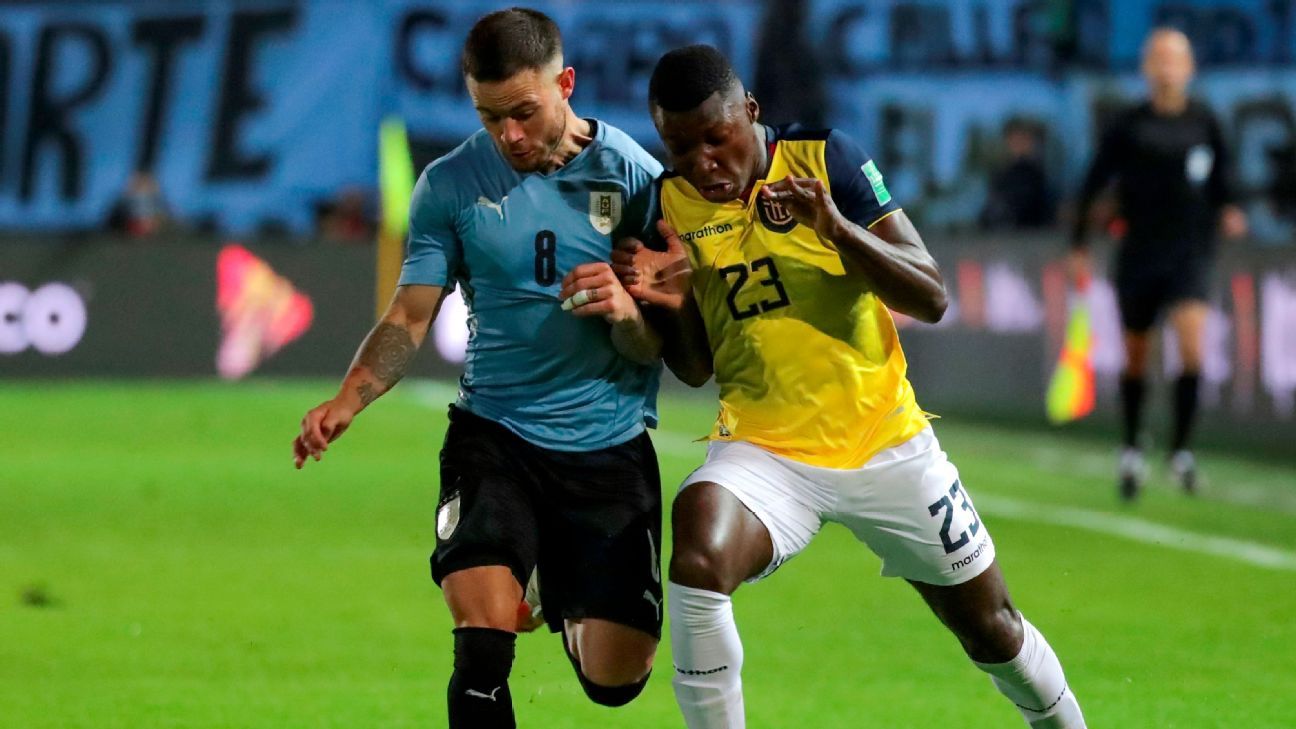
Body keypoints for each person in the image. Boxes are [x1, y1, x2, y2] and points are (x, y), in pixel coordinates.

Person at [614, 45, 1087, 729]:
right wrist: (676, 300)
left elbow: (930, 295)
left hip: (885, 442)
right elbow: (694, 368)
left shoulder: (825, 158)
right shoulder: (668, 204)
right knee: (697, 546)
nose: (702, 162)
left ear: (751, 111)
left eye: (716, 139)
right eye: (681, 148)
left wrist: (835, 228)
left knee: (993, 630)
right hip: (765, 450)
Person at [292, 9, 666, 728]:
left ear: (565, 84)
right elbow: (409, 316)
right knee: (482, 645)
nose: (509, 136)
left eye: (524, 113)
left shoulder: (635, 180)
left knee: (615, 680)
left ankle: (559, 581)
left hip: (606, 445)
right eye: (490, 117)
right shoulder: (450, 185)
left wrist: (626, 313)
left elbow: (664, 348)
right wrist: (347, 399)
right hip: (495, 438)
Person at [1071, 28, 1247, 499]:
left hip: (1189, 254)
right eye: (1159, 58)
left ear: (1189, 67)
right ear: (1147, 67)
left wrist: (1230, 209)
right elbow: (1093, 180)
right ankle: (1132, 446)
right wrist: (1079, 244)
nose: (1167, 68)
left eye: (1175, 59)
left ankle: (1181, 451)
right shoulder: (1129, 125)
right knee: (1136, 354)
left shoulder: (1205, 122)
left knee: (1192, 347)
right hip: (1140, 254)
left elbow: (1225, 179)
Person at [980, 117, 1057, 230]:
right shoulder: (1000, 174)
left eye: (1024, 139)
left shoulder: (1034, 175)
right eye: (1014, 140)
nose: (1019, 144)